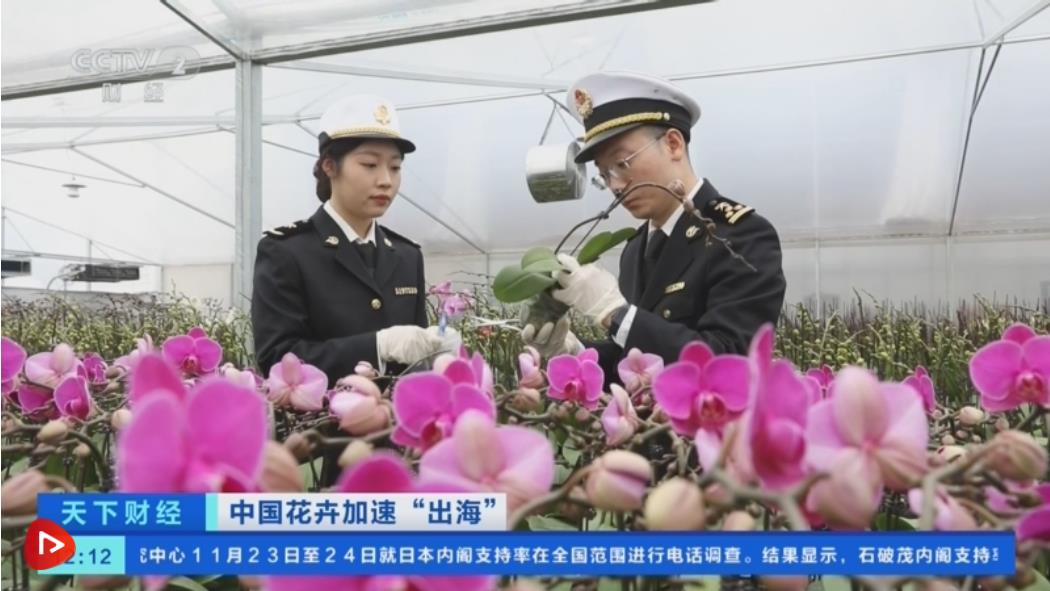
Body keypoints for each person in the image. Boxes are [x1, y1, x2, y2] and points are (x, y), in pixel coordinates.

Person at [522, 71, 787, 379]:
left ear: (673, 144)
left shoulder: (739, 235)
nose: (615, 185)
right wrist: (573, 355)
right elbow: (632, 362)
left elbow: (728, 362)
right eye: (604, 174)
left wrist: (616, 314)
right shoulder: (636, 249)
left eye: (622, 163)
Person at [252, 94, 456, 386]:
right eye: (370, 164)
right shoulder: (287, 252)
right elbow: (277, 359)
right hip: (324, 416)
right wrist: (377, 347)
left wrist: (435, 352)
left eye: (395, 167)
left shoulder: (407, 256)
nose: (386, 180)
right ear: (329, 166)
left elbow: (414, 365)